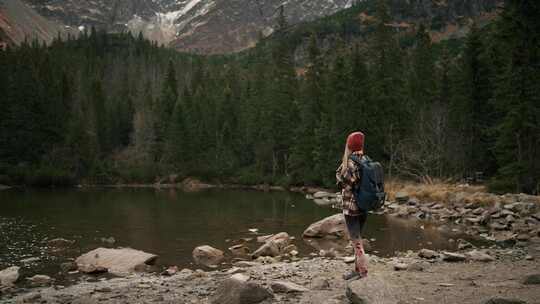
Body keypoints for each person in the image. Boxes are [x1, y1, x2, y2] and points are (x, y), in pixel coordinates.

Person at [336, 131, 368, 280]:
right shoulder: (366, 159)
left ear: (349, 144)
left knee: (356, 242)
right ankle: (357, 270)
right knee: (358, 238)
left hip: (352, 208)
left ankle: (362, 272)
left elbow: (345, 183)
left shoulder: (350, 162)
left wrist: (341, 171)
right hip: (363, 206)